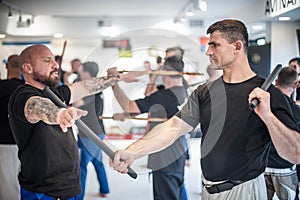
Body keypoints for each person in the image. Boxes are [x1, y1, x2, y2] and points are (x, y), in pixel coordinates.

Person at [110, 19, 300, 200]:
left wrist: (268, 116)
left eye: (214, 45)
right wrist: (132, 152)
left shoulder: (269, 95)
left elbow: (295, 153)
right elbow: (173, 127)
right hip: (208, 189)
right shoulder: (205, 92)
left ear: (237, 47)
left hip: (245, 189)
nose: (208, 51)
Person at [8, 44, 143, 199]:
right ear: (28, 68)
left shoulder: (55, 93)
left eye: (54, 60)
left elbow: (86, 87)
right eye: (47, 60)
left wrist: (117, 78)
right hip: (43, 191)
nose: (56, 65)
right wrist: (59, 114)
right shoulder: (22, 96)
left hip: (70, 186)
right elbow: (36, 106)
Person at [109, 55, 188, 200]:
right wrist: (126, 116)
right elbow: (160, 112)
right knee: (176, 190)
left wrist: (114, 83)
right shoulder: (184, 90)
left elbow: (130, 106)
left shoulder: (164, 96)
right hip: (178, 153)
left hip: (163, 155)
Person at [74, 62, 110, 199]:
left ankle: (79, 197)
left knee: (81, 165)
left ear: (87, 73)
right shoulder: (95, 86)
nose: (79, 72)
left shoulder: (91, 89)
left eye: (81, 71)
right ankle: (105, 189)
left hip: (90, 133)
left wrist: (70, 86)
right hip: (96, 131)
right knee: (97, 161)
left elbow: (77, 103)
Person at [264, 67, 300, 200]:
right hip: (285, 170)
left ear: (276, 82)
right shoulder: (296, 112)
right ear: (295, 85)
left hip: (263, 167)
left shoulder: (262, 105)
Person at [0, 54, 24, 200]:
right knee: (17, 183)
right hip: (25, 144)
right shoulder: (27, 89)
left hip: (4, 143)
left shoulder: (1, 88)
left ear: (7, 66)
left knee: (7, 185)